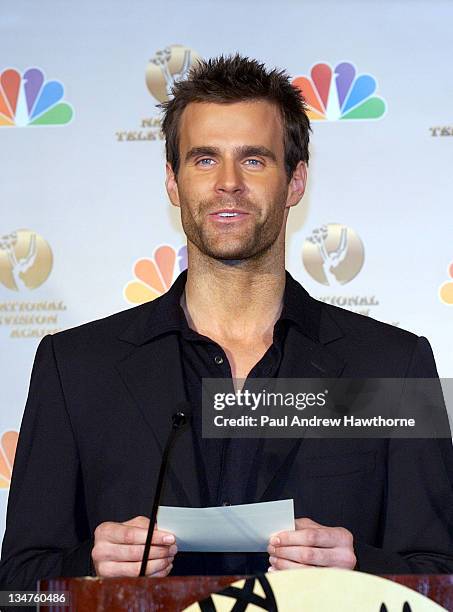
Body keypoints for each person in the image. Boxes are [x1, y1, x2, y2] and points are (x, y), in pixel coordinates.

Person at [1, 54, 453, 590]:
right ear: (173, 182)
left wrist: (362, 570)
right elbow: (17, 588)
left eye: (255, 160)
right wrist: (89, 566)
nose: (229, 183)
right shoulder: (76, 366)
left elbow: (441, 578)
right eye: (205, 159)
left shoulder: (392, 367)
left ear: (296, 181)